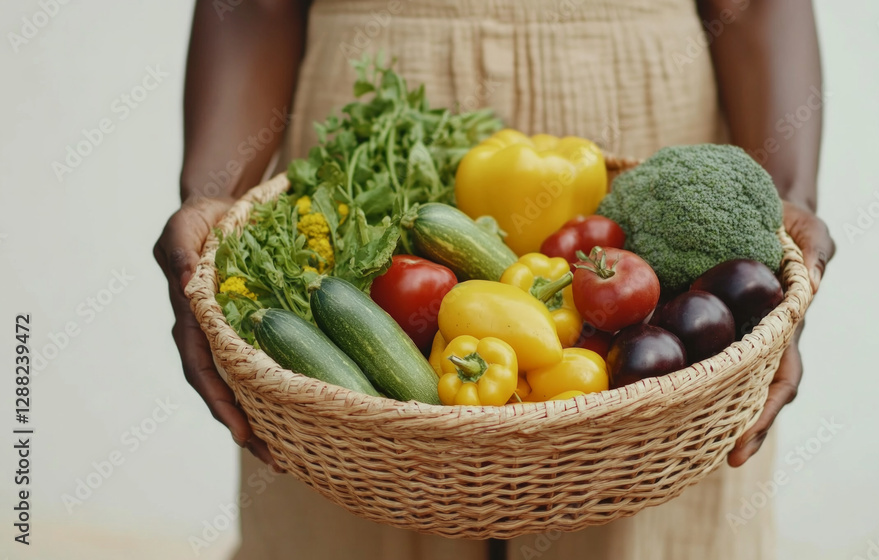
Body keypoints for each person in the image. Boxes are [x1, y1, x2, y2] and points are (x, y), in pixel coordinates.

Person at [154, 0, 836, 558]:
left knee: (649, 493)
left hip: (639, 84)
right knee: (347, 495)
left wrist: (784, 222)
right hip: (371, 95)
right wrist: (211, 202)